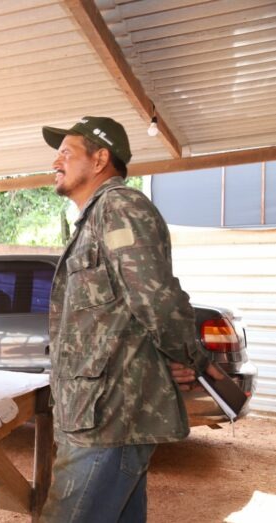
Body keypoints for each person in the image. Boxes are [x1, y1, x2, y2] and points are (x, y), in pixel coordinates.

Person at [39, 116, 224, 522]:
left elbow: (155, 298)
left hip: (109, 418)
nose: (55, 162)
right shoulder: (96, 217)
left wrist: (190, 358)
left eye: (66, 153)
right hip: (97, 413)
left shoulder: (120, 207)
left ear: (100, 159)